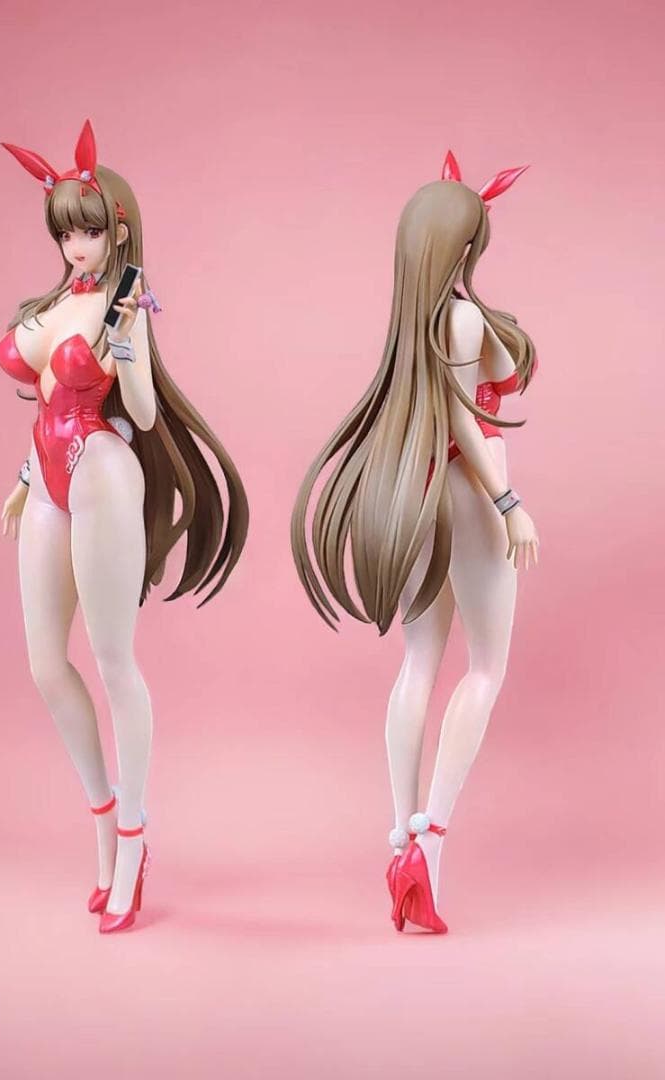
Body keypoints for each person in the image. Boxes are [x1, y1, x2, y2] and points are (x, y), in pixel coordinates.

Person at [0, 119, 249, 934]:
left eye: (89, 231)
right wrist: (24, 480)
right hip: (45, 477)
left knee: (112, 663)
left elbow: (138, 414)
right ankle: (104, 821)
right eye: (64, 232)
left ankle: (134, 842)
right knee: (46, 665)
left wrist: (131, 341)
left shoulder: (123, 306)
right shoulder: (52, 304)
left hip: (103, 472)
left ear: (120, 231)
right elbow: (43, 395)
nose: (76, 246)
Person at [290, 151, 539, 933]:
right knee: (485, 667)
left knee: (418, 663)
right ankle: (428, 845)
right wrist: (508, 502)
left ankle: (398, 836)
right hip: (467, 492)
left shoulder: (412, 326)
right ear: (461, 247)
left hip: (414, 488)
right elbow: (465, 417)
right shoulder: (459, 320)